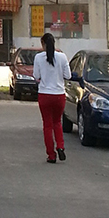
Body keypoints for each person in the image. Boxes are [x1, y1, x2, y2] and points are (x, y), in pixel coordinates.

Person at [33, 32, 72, 163]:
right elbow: (68, 76)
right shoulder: (62, 57)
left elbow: (36, 76)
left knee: (47, 125)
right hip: (59, 95)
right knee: (57, 122)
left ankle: (51, 155)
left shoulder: (38, 57)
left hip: (44, 95)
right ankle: (60, 146)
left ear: (43, 44)